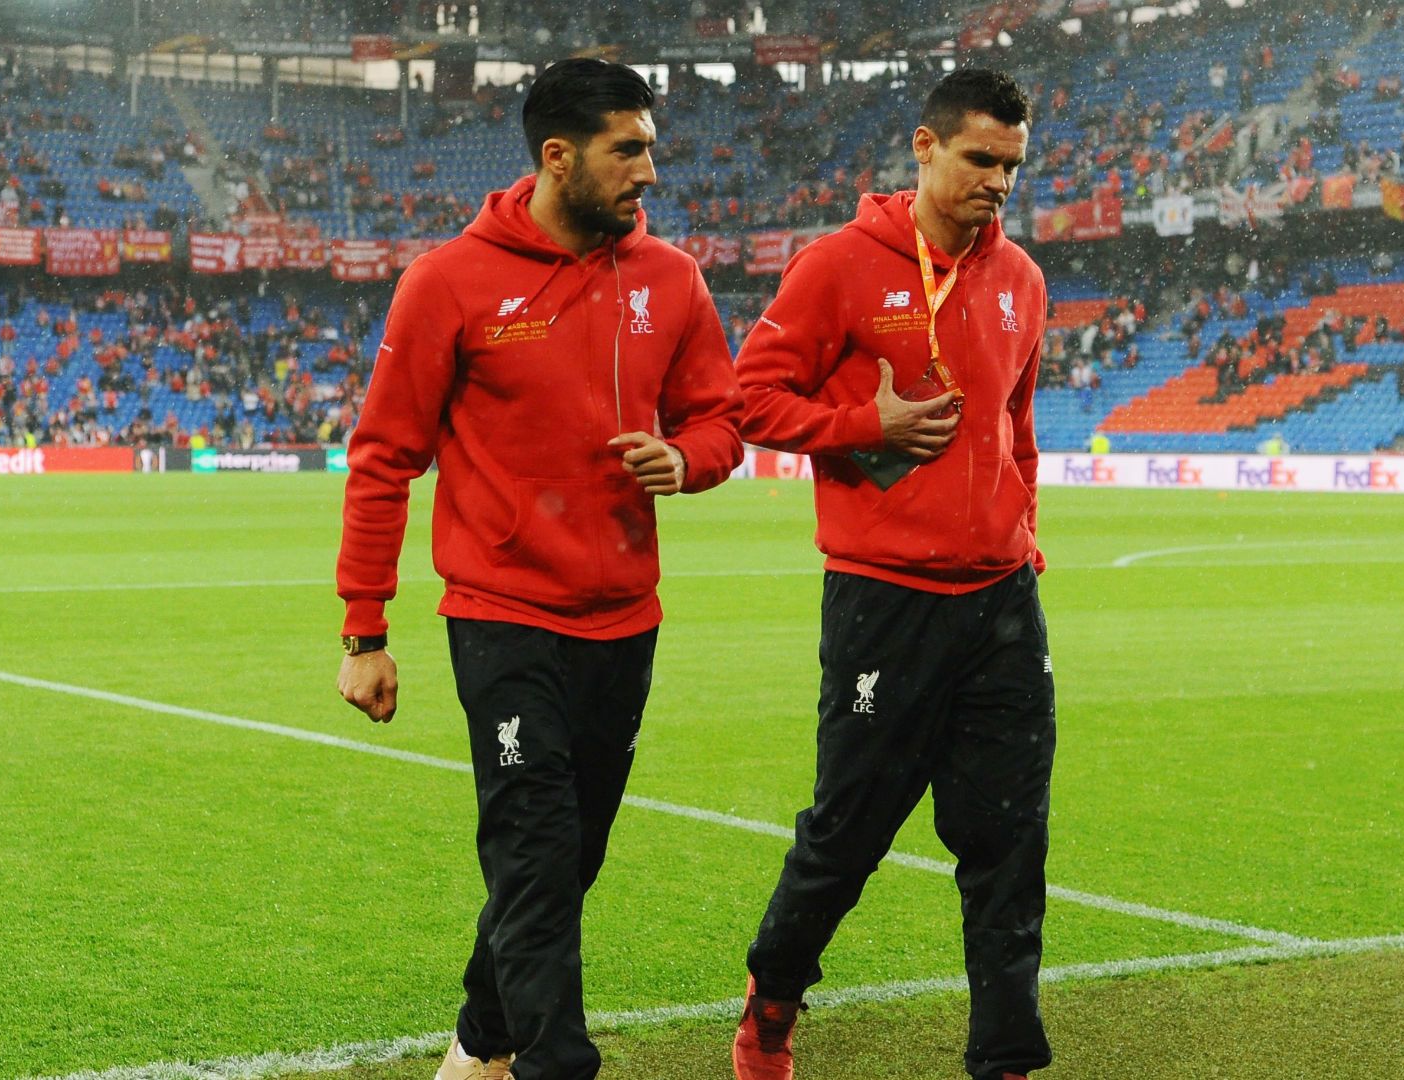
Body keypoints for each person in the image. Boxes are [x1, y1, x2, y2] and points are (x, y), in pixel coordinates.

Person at [332, 58, 744, 1080]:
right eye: (627, 150)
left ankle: (479, 1044)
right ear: (558, 157)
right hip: (502, 613)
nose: (649, 171)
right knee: (533, 850)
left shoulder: (672, 279)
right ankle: (556, 1065)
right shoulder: (448, 281)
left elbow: (721, 421)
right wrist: (365, 629)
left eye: (650, 147)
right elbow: (383, 458)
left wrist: (687, 458)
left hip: (625, 618)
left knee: (569, 858)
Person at [729, 69, 1054, 1080]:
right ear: (924, 147)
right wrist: (862, 425)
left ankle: (1004, 1059)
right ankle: (772, 1004)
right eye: (980, 159)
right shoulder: (838, 266)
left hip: (1002, 604)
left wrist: (1022, 532)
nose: (997, 182)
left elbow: (1018, 429)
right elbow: (750, 399)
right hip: (885, 602)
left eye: (1012, 165)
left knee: (1010, 846)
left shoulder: (1023, 279)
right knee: (848, 833)